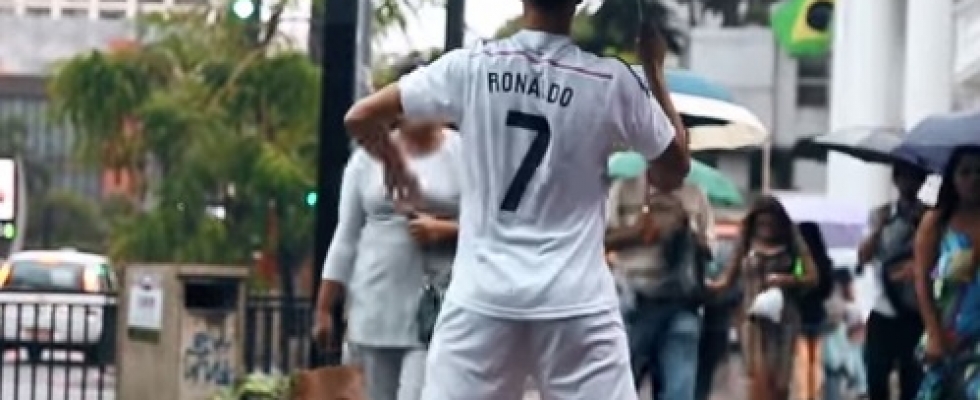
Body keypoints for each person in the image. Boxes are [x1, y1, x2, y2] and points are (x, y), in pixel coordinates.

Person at [341, 0, 692, 397]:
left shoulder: (471, 67)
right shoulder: (609, 82)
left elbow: (360, 116)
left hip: (482, 298)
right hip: (576, 301)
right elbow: (673, 169)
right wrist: (654, 71)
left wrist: (394, 164)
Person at [311, 81, 462, 400]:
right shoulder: (366, 159)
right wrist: (324, 307)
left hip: (435, 308)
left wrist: (445, 229)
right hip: (374, 305)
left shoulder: (463, 154)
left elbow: (491, 225)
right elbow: (346, 236)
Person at [606, 178, 714, 400]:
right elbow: (602, 238)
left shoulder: (695, 194)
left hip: (681, 302)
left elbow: (710, 250)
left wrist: (684, 227)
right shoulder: (624, 189)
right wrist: (638, 231)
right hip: (633, 300)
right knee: (619, 387)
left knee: (679, 391)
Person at [709, 196, 818, 400]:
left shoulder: (792, 239)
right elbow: (727, 278)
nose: (766, 229)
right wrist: (708, 286)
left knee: (781, 382)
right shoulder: (745, 239)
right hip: (752, 319)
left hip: (784, 318)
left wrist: (787, 279)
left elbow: (812, 276)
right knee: (758, 377)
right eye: (762, 223)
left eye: (771, 223)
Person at [911, 147, 980, 400]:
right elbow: (921, 281)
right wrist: (933, 333)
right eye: (965, 172)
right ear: (952, 178)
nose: (974, 178)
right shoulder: (937, 222)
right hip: (947, 331)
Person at [858, 162, 928, 400]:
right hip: (883, 310)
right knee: (876, 381)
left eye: (916, 178)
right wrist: (879, 226)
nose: (910, 184)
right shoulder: (881, 214)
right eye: (904, 177)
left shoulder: (929, 216)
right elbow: (863, 256)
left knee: (912, 383)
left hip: (915, 311)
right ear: (896, 179)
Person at [795, 222, 837, 400]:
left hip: (799, 316)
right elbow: (827, 291)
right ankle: (815, 394)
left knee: (802, 362)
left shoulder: (798, 260)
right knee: (815, 361)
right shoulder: (824, 261)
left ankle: (805, 395)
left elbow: (796, 284)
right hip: (818, 316)